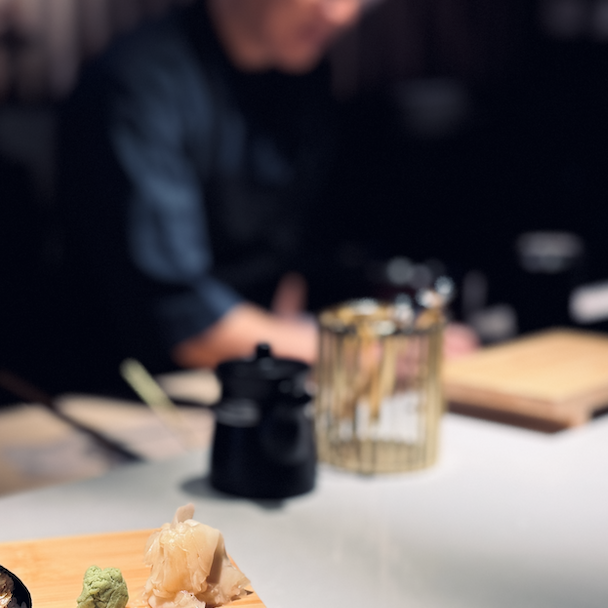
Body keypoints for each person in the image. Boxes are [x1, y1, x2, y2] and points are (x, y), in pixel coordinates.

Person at [58, 0, 474, 375]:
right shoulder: (138, 86)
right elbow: (183, 323)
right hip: (124, 388)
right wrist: (367, 350)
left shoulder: (300, 73)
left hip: (247, 371)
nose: (341, 12)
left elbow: (296, 256)